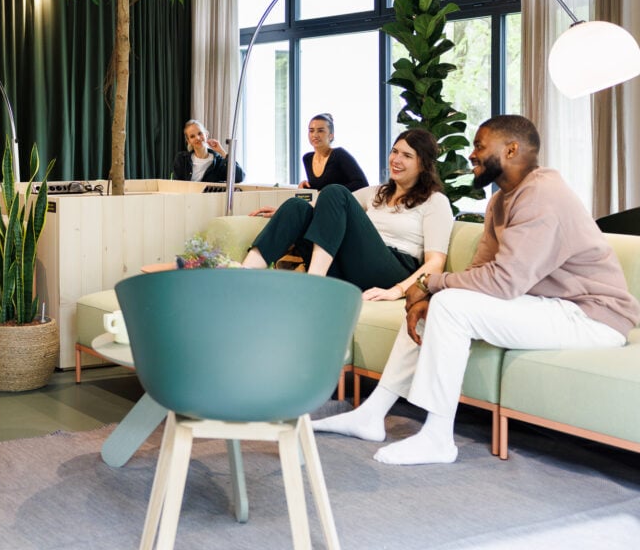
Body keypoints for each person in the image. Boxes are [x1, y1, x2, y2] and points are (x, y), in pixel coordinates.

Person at [313, 115, 640, 465]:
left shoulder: (543, 196)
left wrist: (429, 284)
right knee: (439, 304)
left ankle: (438, 438)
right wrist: (429, 296)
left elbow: (503, 281)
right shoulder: (501, 201)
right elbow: (479, 272)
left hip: (591, 317)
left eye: (480, 145)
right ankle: (371, 414)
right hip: (549, 304)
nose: (471, 154)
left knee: (450, 305)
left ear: (511, 149)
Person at [242, 128, 453, 298]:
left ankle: (313, 284)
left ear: (424, 165)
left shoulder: (435, 202)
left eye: (406, 155)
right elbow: (327, 209)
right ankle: (242, 276)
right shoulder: (377, 192)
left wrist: (396, 291)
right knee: (296, 206)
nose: (396, 160)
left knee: (336, 191)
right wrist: (284, 213)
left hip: (392, 269)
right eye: (395, 151)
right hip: (353, 268)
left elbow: (435, 263)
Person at [300, 113, 368, 191]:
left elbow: (361, 183)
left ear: (331, 135)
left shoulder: (339, 155)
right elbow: (319, 189)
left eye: (320, 131)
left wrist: (331, 193)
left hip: (339, 202)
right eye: (311, 131)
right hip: (320, 203)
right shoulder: (307, 158)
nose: (315, 135)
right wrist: (305, 187)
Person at [172, 119, 244, 183]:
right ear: (188, 141)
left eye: (200, 133)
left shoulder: (219, 162)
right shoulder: (181, 159)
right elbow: (176, 185)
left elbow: (239, 177)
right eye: (192, 136)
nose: (197, 138)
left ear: (206, 134)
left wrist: (222, 152)